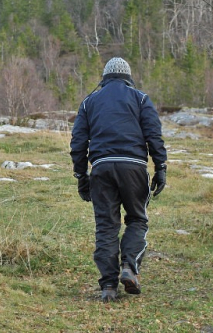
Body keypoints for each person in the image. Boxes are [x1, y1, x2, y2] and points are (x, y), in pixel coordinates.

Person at [69, 57, 167, 302]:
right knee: (137, 218)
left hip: (101, 169)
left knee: (106, 227)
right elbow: (154, 135)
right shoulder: (141, 98)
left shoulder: (89, 102)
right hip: (134, 167)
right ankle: (129, 267)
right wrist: (161, 167)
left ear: (104, 77)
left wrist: (82, 176)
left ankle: (109, 286)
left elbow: (78, 143)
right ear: (128, 76)